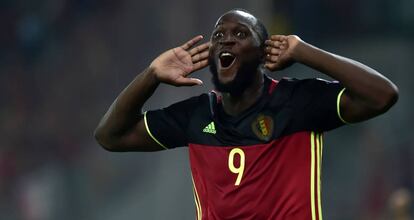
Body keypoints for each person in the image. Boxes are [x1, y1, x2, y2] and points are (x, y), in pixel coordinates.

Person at [94, 9, 398, 220]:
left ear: (264, 53)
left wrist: (305, 51)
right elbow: (110, 135)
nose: (226, 39)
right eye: (219, 35)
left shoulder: (297, 102)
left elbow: (383, 95)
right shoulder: (197, 116)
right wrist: (152, 75)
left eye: (241, 33)